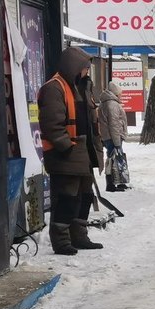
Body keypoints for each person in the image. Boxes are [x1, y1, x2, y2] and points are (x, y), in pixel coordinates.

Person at [38, 46, 104, 255]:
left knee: (85, 196)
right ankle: (61, 240)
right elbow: (52, 124)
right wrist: (65, 146)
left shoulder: (83, 87)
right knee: (66, 198)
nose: (87, 71)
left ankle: (79, 236)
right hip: (66, 154)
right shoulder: (54, 88)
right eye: (85, 67)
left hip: (83, 153)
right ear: (74, 67)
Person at [98, 81, 129, 192]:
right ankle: (112, 184)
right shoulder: (112, 105)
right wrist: (117, 141)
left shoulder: (106, 103)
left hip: (109, 136)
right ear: (115, 93)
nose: (121, 95)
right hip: (113, 137)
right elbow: (114, 124)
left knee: (114, 159)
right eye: (120, 93)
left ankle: (117, 182)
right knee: (114, 160)